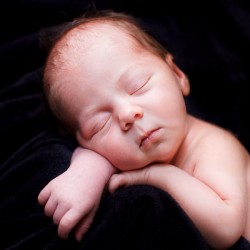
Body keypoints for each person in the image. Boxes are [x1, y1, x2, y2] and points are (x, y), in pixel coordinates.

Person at [38, 10, 250, 250]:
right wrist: (85, 171)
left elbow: (225, 229)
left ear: (178, 75)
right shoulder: (123, 149)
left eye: (138, 86)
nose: (127, 115)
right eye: (100, 124)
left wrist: (156, 176)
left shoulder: (214, 147)